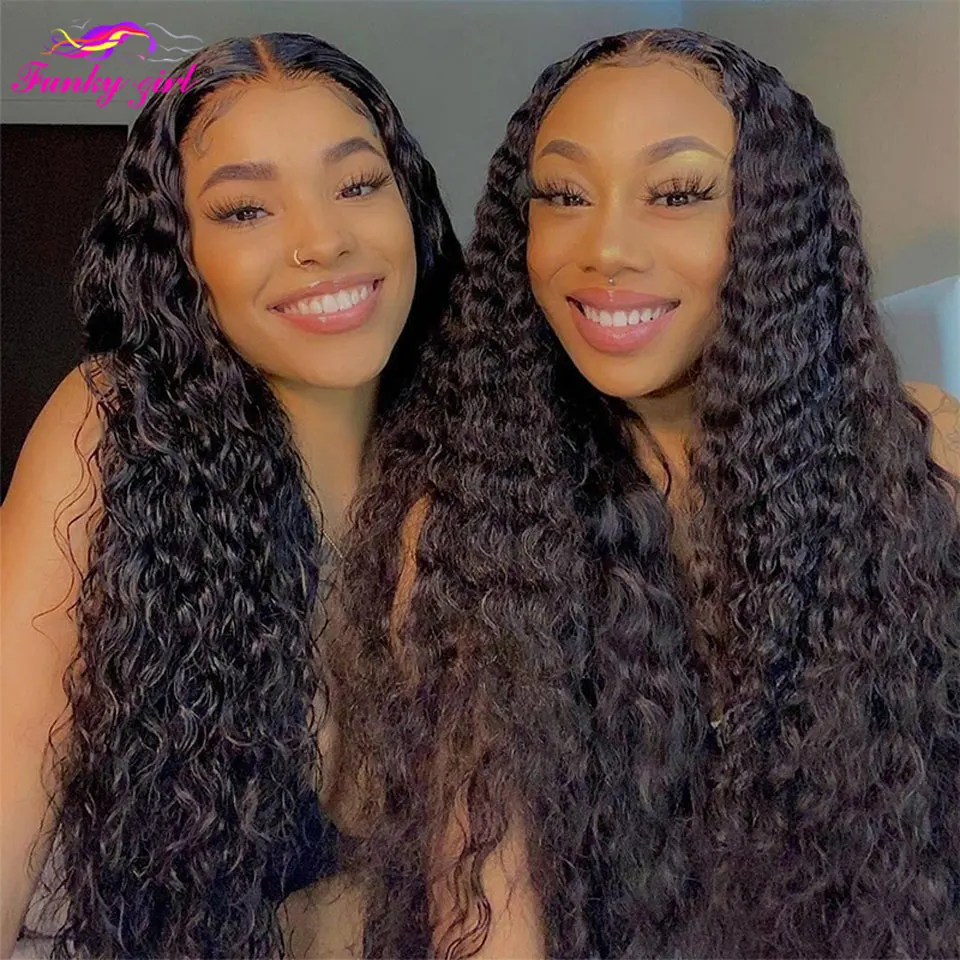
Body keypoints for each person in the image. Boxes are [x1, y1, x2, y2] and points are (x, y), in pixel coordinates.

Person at [328, 27, 960, 958]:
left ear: (777, 224)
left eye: (677, 193)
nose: (606, 248)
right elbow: (488, 912)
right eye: (564, 195)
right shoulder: (474, 524)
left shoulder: (931, 462)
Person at [1, 31, 465, 959]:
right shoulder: (113, 429)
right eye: (247, 208)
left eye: (358, 184)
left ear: (408, 202)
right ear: (183, 256)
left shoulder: (483, 459)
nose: (322, 240)